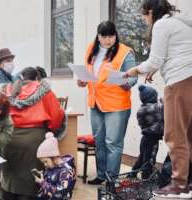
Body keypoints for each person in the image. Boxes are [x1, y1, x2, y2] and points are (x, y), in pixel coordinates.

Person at [125, 0, 192, 197]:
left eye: (144, 16)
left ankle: (179, 185)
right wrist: (156, 69)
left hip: (179, 81)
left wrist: (135, 70)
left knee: (174, 134)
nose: (145, 21)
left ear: (151, 11)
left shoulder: (162, 24)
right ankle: (187, 182)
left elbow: (155, 59)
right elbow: (175, 54)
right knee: (189, 134)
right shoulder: (182, 23)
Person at [77, 21, 137, 185]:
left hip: (116, 105)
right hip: (95, 103)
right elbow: (89, 73)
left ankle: (112, 179)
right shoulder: (91, 49)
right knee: (99, 141)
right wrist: (82, 81)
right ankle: (101, 175)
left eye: (111, 36)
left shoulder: (125, 52)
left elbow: (133, 77)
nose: (108, 40)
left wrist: (125, 82)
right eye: (104, 36)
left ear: (115, 35)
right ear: (98, 36)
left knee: (113, 143)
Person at [0, 67, 65, 200]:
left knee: (10, 179)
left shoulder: (7, 90)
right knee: (32, 180)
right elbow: (56, 117)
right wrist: (50, 131)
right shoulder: (45, 91)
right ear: (37, 78)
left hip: (9, 138)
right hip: (35, 140)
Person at [131, 85, 164, 179]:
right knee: (150, 159)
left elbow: (142, 123)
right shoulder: (156, 108)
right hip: (153, 138)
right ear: (152, 97)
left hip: (145, 137)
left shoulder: (141, 109)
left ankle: (133, 173)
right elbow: (164, 104)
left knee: (143, 156)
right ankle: (147, 177)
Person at [34, 132, 76, 200]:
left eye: (45, 161)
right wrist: (40, 181)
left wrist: (42, 183)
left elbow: (59, 194)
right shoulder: (50, 167)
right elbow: (46, 188)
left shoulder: (66, 171)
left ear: (54, 157)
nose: (45, 164)